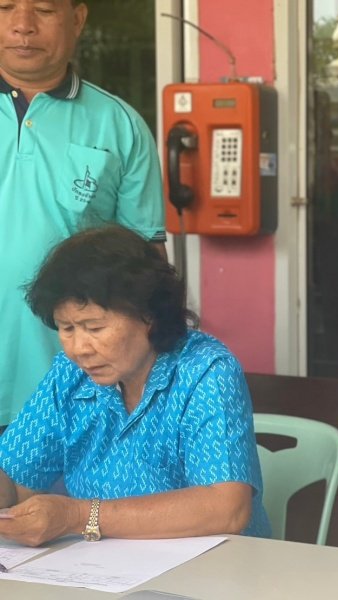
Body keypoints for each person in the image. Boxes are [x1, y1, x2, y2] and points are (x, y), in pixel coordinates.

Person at [0, 225, 269, 546]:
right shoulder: (69, 375)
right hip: (100, 567)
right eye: (67, 328)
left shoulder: (205, 371)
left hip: (212, 565)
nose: (79, 348)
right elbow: (16, 483)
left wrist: (78, 515)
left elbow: (227, 508)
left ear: (149, 315)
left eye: (94, 328)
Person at [0, 0, 165, 427]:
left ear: (77, 19)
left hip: (76, 391)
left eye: (43, 10)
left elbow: (147, 272)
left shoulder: (120, 126)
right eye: (4, 7)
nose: (22, 25)